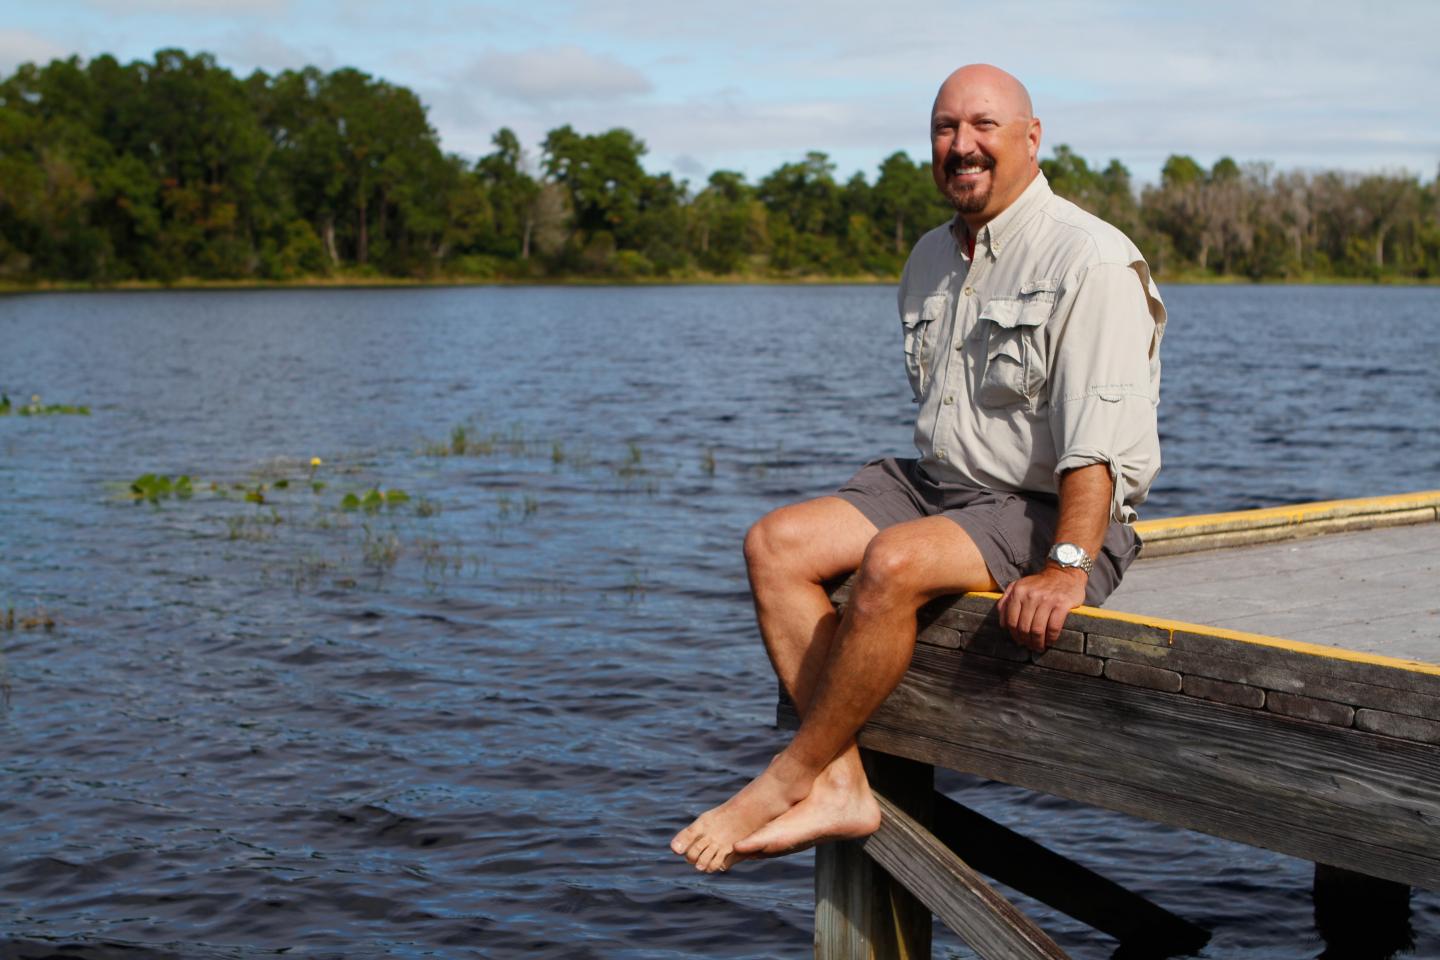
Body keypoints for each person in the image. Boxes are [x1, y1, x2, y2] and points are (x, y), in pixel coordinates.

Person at [670, 64, 1166, 874]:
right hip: (943, 486)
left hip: (1049, 506)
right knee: (775, 543)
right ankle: (841, 786)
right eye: (944, 128)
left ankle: (788, 775)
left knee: (891, 563)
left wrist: (1068, 568)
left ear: (1031, 139)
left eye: (983, 126)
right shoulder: (931, 257)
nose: (961, 146)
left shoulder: (1091, 260)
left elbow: (1097, 445)